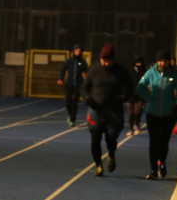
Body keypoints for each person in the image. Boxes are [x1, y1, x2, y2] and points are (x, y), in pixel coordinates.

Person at [81, 43, 132, 176]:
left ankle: (111, 154)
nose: (106, 63)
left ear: (113, 59)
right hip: (96, 111)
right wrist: (87, 98)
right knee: (95, 139)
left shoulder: (121, 71)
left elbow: (130, 89)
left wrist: (121, 98)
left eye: (109, 60)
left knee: (111, 137)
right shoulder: (94, 70)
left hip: (114, 112)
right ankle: (98, 166)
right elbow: (84, 88)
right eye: (104, 60)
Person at [136, 48, 177, 179]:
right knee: (154, 142)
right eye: (160, 61)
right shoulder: (151, 72)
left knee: (164, 142)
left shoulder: (174, 74)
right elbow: (140, 88)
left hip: (168, 114)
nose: (162, 64)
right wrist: (149, 97)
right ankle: (153, 170)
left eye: (165, 61)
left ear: (169, 61)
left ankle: (162, 162)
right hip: (152, 113)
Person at [58, 44, 89, 126]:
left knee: (75, 102)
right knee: (68, 102)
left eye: (79, 51)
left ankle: (72, 119)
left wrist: (85, 73)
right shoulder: (69, 61)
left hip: (78, 85)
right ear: (74, 51)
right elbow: (63, 70)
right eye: (76, 50)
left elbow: (87, 71)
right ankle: (70, 115)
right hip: (69, 84)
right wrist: (60, 78)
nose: (78, 52)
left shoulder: (82, 62)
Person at [127, 55, 146, 136]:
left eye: (140, 63)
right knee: (131, 114)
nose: (139, 65)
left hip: (140, 96)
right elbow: (126, 83)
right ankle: (131, 129)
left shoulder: (145, 72)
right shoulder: (130, 72)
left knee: (137, 112)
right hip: (131, 95)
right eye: (137, 63)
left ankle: (137, 125)